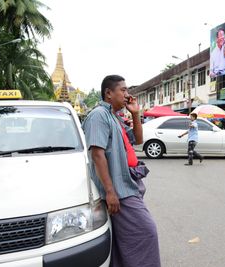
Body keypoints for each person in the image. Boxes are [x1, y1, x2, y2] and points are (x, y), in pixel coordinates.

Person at [82, 75, 161, 267]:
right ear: (109, 93)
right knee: (146, 232)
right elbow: (97, 154)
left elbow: (138, 140)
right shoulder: (98, 115)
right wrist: (110, 192)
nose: (128, 94)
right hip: (120, 190)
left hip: (128, 185)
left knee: (123, 241)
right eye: (123, 90)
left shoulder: (114, 116)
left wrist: (135, 113)